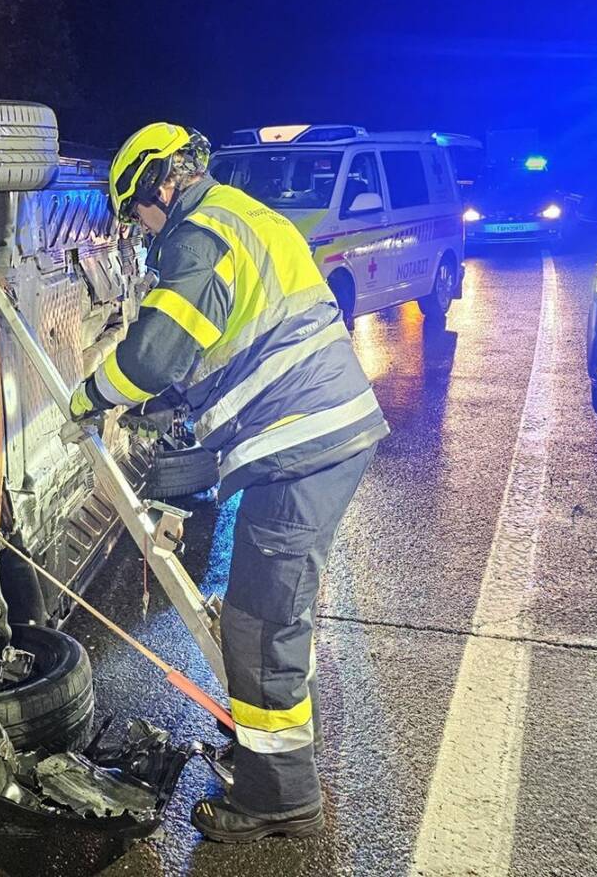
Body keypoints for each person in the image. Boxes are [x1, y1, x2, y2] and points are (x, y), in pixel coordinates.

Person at [70, 122, 388, 842]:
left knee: (260, 625)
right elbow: (225, 346)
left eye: (135, 211)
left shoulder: (197, 234)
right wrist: (165, 405)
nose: (138, 230)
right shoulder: (242, 217)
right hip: (318, 433)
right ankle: (264, 762)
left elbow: (150, 355)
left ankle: (282, 799)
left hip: (303, 443)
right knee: (258, 615)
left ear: (159, 184)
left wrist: (93, 394)